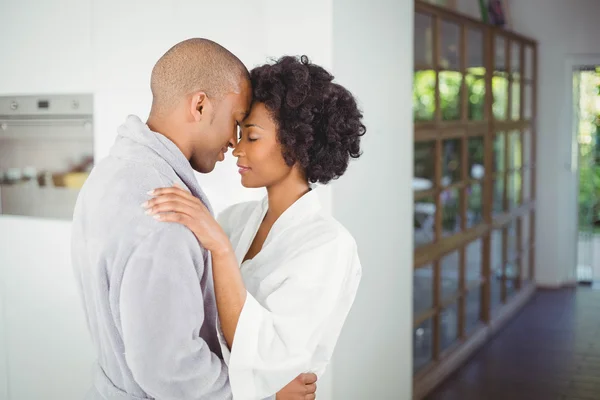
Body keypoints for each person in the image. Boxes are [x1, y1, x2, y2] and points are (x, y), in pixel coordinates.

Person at [71, 39, 315, 400]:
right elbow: (171, 370)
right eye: (236, 123)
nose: (234, 144)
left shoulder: (110, 174)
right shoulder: (165, 214)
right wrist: (262, 394)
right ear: (200, 105)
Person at [143, 55, 365, 399]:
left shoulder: (329, 246)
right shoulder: (234, 219)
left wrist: (219, 248)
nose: (236, 149)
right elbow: (196, 320)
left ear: (296, 145)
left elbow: (268, 358)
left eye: (252, 137)